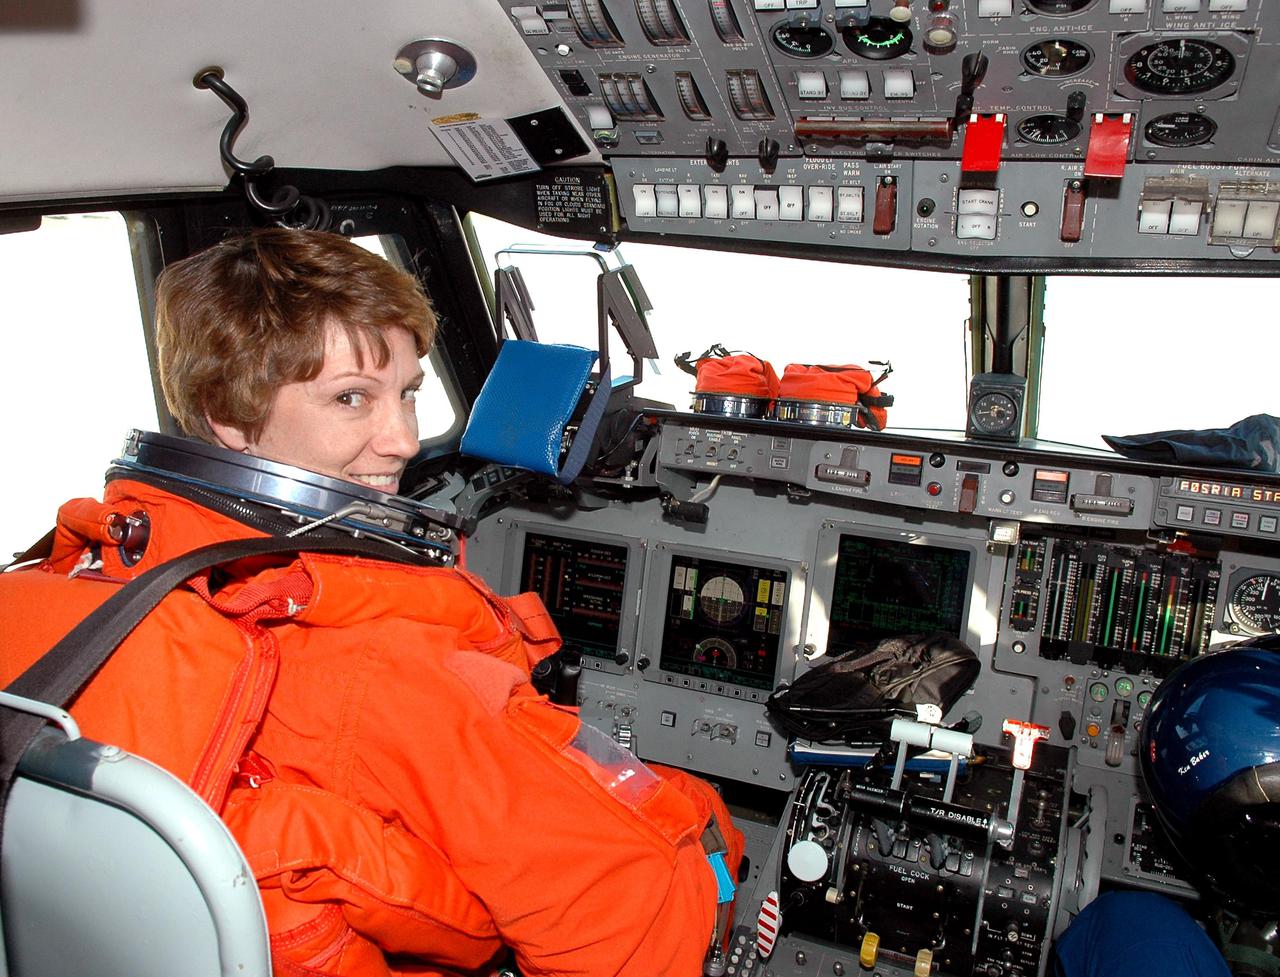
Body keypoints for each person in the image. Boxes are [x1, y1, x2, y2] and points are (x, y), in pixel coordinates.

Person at [0, 229, 743, 977]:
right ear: (226, 413)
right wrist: (715, 840)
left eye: (409, 392)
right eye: (351, 398)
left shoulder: (85, 567)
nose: (401, 441)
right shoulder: (388, 667)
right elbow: (639, 926)